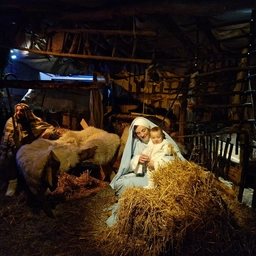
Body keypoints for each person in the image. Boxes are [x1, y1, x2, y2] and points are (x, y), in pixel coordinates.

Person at [106, 117, 185, 226]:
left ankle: (126, 213)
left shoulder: (162, 141)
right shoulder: (137, 143)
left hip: (159, 175)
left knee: (133, 185)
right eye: (138, 133)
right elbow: (129, 162)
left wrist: (155, 164)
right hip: (143, 173)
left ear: (149, 128)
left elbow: (173, 160)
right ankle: (125, 210)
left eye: (143, 130)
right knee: (121, 181)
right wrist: (138, 159)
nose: (142, 134)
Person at [0, 103, 60, 197]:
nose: (19, 113)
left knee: (42, 158)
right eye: (17, 110)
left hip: (32, 148)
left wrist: (46, 134)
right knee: (11, 156)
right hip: (17, 149)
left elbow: (51, 128)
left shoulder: (34, 121)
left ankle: (42, 185)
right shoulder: (12, 122)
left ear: (27, 112)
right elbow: (7, 139)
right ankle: (13, 183)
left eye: (21, 111)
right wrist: (16, 145)